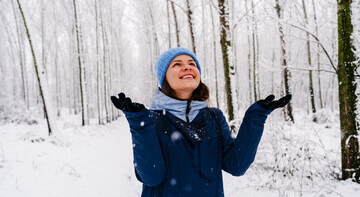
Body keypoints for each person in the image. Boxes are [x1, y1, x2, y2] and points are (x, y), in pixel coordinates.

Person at [111, 47, 291, 197]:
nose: (187, 67)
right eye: (177, 64)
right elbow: (152, 176)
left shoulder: (214, 117)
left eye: (192, 64)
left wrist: (256, 117)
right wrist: (138, 122)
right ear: (163, 78)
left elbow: (236, 166)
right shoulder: (151, 119)